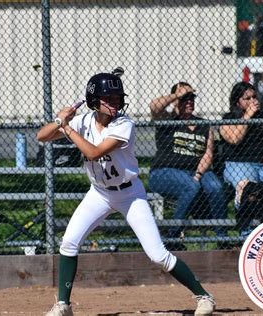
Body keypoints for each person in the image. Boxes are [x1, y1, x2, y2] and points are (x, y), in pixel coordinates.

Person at [37, 73, 216, 316]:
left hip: (129, 193)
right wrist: (60, 122)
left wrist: (67, 126)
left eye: (117, 98)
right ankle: (63, 305)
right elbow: (42, 136)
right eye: (107, 98)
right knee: (69, 243)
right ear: (93, 100)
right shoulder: (83, 121)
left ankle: (204, 297)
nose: (114, 102)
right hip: (99, 193)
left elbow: (93, 153)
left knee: (157, 254)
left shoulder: (124, 124)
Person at [148, 82, 227, 240]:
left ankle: (222, 237)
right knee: (191, 186)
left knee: (216, 187)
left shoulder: (204, 125)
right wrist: (177, 94)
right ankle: (173, 236)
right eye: (185, 98)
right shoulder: (167, 119)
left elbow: (208, 154)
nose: (189, 101)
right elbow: (154, 106)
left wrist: (198, 174)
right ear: (175, 100)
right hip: (164, 171)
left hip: (197, 171)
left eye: (192, 98)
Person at [220, 82, 263, 231]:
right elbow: (234, 139)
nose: (253, 101)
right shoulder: (229, 118)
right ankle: (246, 233)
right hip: (239, 164)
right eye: (247, 98)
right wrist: (248, 115)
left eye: (254, 97)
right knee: (249, 190)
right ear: (237, 101)